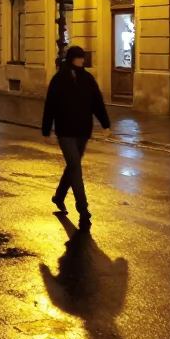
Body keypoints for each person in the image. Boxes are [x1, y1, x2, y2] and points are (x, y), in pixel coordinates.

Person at [41, 45, 111, 225]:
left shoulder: (87, 79)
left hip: (82, 130)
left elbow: (97, 102)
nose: (82, 61)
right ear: (72, 59)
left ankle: (59, 196)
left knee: (73, 166)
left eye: (83, 58)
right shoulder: (59, 79)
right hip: (65, 131)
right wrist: (46, 129)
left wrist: (105, 124)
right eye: (79, 58)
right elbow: (51, 105)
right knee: (76, 169)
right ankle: (84, 211)